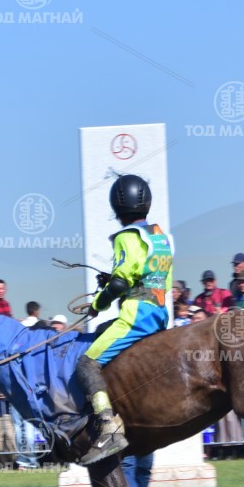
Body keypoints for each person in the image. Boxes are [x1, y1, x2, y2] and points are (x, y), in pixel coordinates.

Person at [75, 174, 172, 465]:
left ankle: (108, 427)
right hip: (159, 313)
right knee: (104, 332)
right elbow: (145, 276)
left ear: (117, 206)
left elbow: (120, 283)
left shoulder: (126, 237)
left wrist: (97, 304)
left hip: (136, 315)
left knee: (86, 363)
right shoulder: (160, 236)